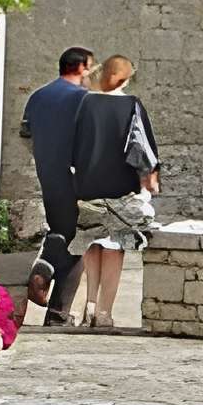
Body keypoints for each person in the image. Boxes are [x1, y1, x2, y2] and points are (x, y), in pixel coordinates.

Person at [65, 54, 161, 330]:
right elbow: (144, 149)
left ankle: (89, 307)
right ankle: (104, 312)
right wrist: (150, 178)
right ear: (125, 78)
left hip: (86, 185)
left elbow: (70, 145)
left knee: (92, 245)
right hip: (120, 187)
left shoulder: (83, 104)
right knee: (115, 249)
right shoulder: (132, 105)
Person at [18, 46, 95, 326]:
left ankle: (45, 272)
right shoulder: (85, 100)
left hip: (47, 174)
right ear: (80, 68)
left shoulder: (38, 96)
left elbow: (26, 134)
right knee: (78, 243)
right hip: (76, 178)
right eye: (90, 69)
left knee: (61, 232)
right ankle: (57, 313)